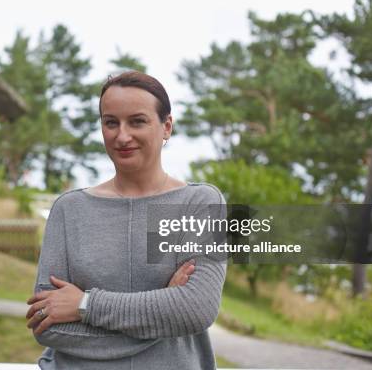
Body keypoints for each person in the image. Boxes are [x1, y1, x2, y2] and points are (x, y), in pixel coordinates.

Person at [26, 71, 227, 369]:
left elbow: (196, 311)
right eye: (111, 123)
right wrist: (163, 312)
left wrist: (84, 305)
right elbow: (48, 325)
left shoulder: (202, 204)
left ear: (166, 126)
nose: (122, 136)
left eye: (137, 121)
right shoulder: (69, 209)